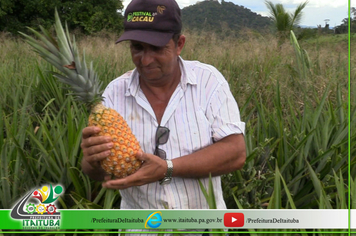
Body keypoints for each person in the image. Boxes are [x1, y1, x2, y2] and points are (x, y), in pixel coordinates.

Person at [81, 0, 246, 232]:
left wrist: (168, 167)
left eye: (157, 48)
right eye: (137, 47)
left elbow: (235, 153)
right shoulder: (113, 93)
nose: (145, 60)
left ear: (179, 44)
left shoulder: (209, 81)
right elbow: (98, 172)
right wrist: (91, 160)